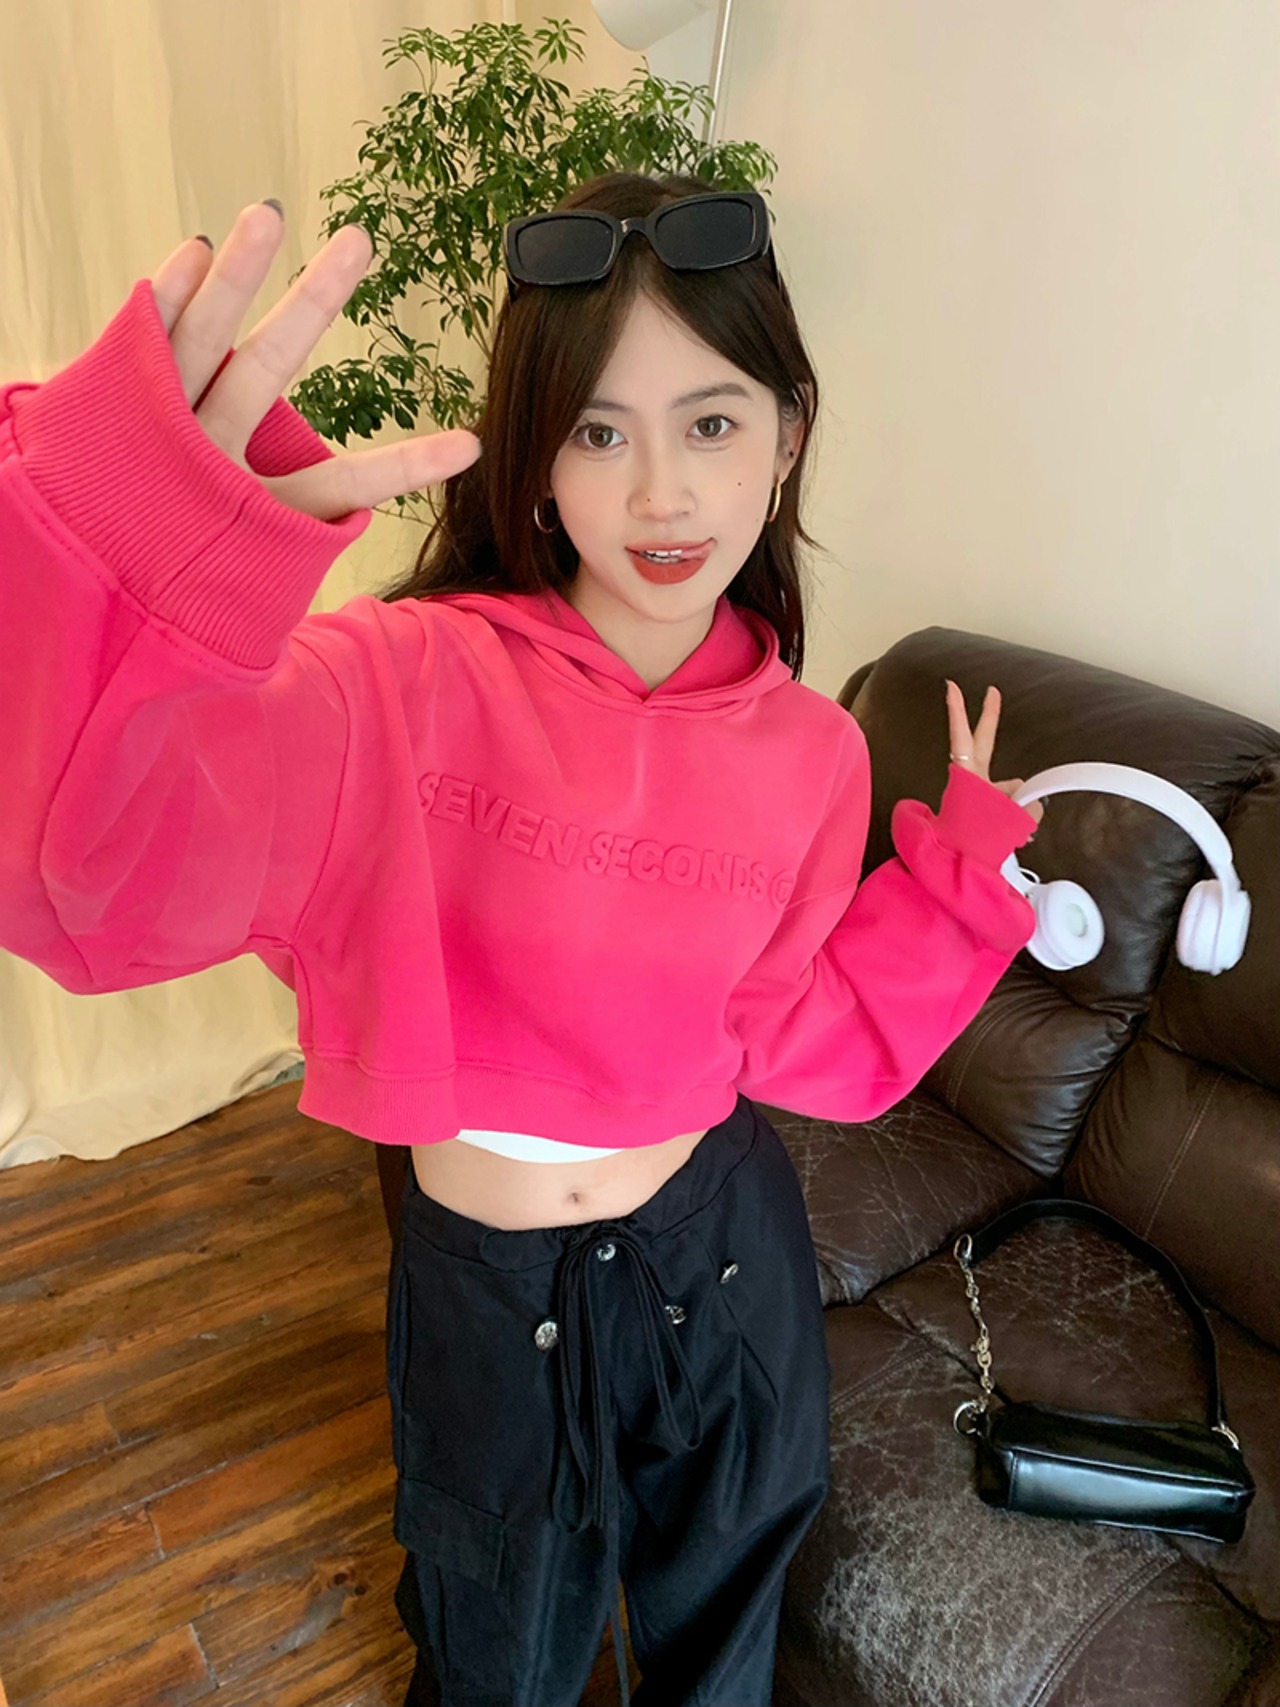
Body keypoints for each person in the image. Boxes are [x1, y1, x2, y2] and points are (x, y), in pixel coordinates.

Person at [0, 173, 1040, 1707]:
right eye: (598, 433)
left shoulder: (815, 754)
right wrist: (121, 556)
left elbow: (797, 1038)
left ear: (789, 433)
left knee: (725, 1631)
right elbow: (91, 882)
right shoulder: (396, 683)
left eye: (711, 421)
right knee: (496, 1651)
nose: (662, 495)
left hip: (718, 1251)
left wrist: (952, 888)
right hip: (491, 1291)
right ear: (537, 466)